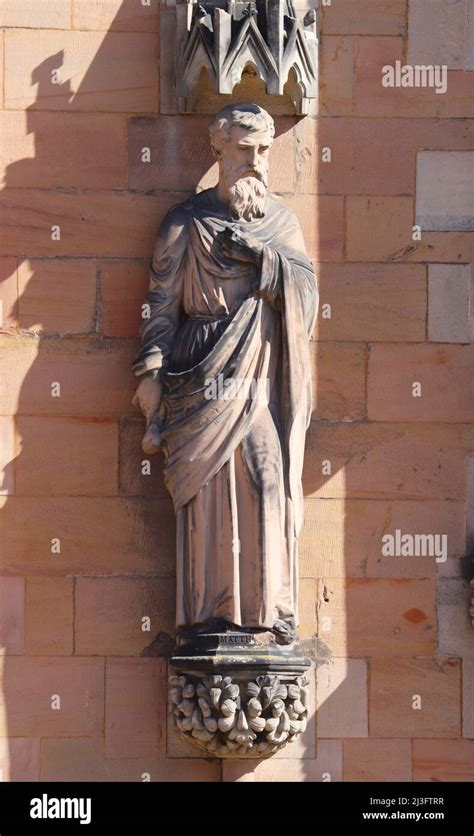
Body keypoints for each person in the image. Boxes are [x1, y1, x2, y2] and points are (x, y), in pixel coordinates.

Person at [132, 103, 318, 643]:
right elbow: (160, 309)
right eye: (244, 149)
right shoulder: (184, 222)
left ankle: (264, 614)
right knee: (208, 498)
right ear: (219, 152)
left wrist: (262, 259)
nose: (255, 161)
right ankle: (208, 619)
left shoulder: (282, 222)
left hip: (255, 375)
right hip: (199, 374)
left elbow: (306, 294)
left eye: (263, 150)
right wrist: (151, 374)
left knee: (266, 477)